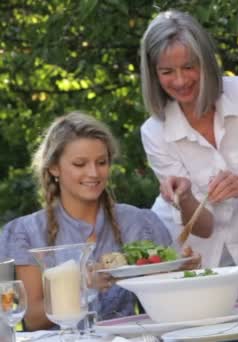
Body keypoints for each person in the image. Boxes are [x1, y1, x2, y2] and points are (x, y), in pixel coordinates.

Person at [0, 112, 192, 330]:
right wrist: (84, 287)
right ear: (54, 167)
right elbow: (32, 319)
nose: (93, 173)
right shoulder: (27, 231)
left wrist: (183, 272)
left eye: (101, 162)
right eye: (80, 164)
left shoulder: (138, 222)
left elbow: (165, 305)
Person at [139, 10, 238, 268]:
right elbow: (203, 228)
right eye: (167, 71)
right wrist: (184, 198)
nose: (180, 80)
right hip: (186, 258)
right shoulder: (154, 131)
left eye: (189, 67)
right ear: (153, 75)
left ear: (206, 62)